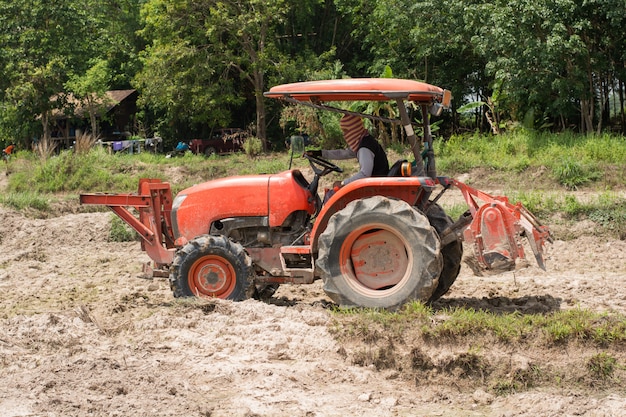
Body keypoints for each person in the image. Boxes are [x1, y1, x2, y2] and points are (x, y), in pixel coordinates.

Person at [307, 114, 389, 199]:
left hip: (375, 187)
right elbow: (343, 153)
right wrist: (319, 153)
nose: (345, 135)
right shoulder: (363, 141)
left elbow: (365, 174)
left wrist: (343, 183)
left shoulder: (365, 148)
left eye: (346, 131)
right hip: (374, 183)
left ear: (353, 129)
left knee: (331, 196)